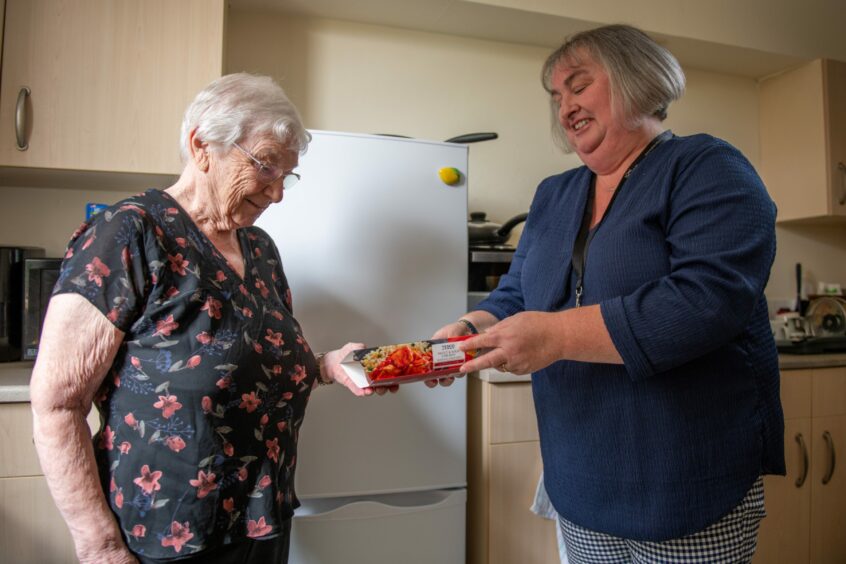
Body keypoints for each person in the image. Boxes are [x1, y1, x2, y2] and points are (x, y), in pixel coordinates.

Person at [29, 73, 414, 564]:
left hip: (262, 522)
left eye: (286, 177)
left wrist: (326, 365)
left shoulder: (260, 249)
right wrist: (99, 545)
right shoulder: (130, 232)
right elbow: (58, 405)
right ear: (202, 146)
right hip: (167, 534)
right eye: (266, 168)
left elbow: (253, 366)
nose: (277, 195)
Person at [436, 24, 784, 563]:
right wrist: (470, 328)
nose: (564, 106)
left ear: (637, 80)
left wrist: (551, 336)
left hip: (685, 482)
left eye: (578, 85)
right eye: (556, 97)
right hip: (578, 476)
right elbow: (515, 292)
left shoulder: (707, 167)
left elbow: (704, 301)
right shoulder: (553, 195)